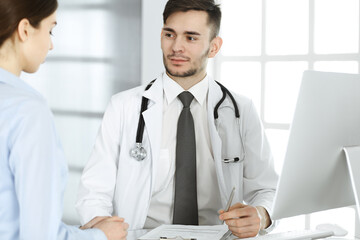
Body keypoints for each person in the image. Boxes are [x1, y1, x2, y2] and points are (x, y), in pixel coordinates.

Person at [76, 0, 278, 238]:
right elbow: (93, 193)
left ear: (214, 47)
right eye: (169, 34)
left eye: (191, 38)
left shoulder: (241, 110)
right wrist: (103, 233)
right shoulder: (123, 107)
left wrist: (261, 215)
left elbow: (267, 188)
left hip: (217, 236)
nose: (176, 47)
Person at [0, 0, 129, 239]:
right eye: (50, 30)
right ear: (25, 29)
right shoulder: (27, 110)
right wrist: (102, 236)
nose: (50, 44)